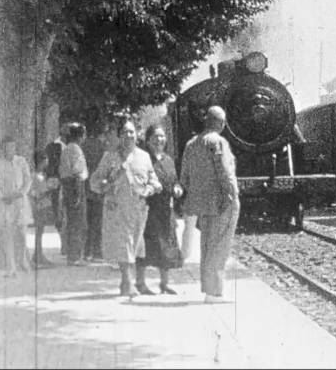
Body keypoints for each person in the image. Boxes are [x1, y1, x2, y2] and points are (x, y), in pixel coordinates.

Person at [89, 117, 161, 296]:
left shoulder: (144, 157)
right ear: (119, 136)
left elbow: (154, 181)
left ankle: (128, 283)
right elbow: (94, 182)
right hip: (117, 209)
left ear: (137, 135)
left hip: (138, 210)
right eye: (124, 132)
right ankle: (127, 282)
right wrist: (106, 183)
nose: (128, 135)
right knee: (124, 244)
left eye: (131, 132)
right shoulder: (110, 156)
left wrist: (150, 189)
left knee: (135, 245)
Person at [180, 106, 240, 304]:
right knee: (220, 246)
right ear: (221, 124)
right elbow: (225, 173)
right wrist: (232, 195)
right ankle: (214, 293)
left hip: (202, 205)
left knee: (206, 246)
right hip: (222, 203)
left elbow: (185, 179)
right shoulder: (218, 142)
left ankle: (209, 289)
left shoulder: (191, 144)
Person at [135, 124, 184, 295]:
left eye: (162, 136)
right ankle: (140, 283)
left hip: (165, 210)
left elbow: (175, 180)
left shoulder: (168, 159)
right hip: (148, 209)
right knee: (145, 247)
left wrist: (177, 188)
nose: (159, 139)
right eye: (155, 136)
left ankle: (164, 283)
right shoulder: (143, 159)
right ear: (148, 140)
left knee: (167, 246)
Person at [0, 135, 33, 276]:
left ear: (15, 148)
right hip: (4, 203)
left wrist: (20, 193)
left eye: (12, 147)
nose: (9, 150)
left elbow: (28, 180)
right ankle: (11, 267)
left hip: (19, 202)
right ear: (2, 148)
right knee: (7, 235)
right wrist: (2, 196)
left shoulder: (21, 162)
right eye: (6, 147)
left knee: (21, 234)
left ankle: (22, 260)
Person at [60, 123, 89, 266]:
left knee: (72, 221)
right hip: (75, 186)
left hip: (67, 185)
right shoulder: (76, 150)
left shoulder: (66, 149)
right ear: (80, 136)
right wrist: (77, 195)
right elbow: (77, 173)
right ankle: (75, 256)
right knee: (78, 222)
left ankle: (71, 254)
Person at [30, 149, 60, 266]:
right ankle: (37, 255)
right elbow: (36, 193)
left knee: (41, 231)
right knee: (39, 231)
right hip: (39, 206)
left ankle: (39, 254)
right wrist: (49, 189)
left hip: (43, 206)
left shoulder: (42, 175)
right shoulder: (35, 176)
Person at [82, 121, 108, 261]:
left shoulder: (83, 145)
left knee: (87, 221)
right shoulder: (103, 147)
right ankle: (97, 251)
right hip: (98, 188)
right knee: (97, 221)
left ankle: (86, 251)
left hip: (86, 187)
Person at [45, 123, 70, 255]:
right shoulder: (52, 147)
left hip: (69, 185)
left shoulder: (73, 146)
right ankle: (63, 242)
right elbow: (49, 168)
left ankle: (67, 243)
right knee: (59, 215)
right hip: (58, 185)